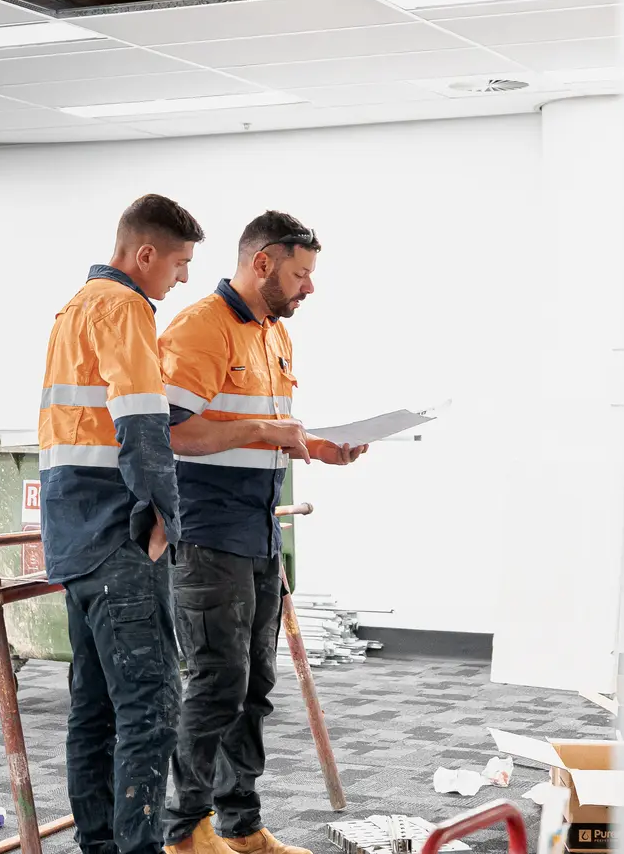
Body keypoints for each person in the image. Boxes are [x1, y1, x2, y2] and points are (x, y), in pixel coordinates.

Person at [159, 211, 367, 854]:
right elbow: (167, 433)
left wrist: (321, 447)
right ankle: (184, 828)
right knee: (217, 682)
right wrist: (260, 433)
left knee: (253, 688)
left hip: (257, 529)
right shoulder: (200, 328)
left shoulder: (274, 335)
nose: (310, 287)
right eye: (300, 274)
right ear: (261, 263)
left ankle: (240, 827)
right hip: (206, 530)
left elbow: (265, 429)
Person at [38, 194, 204, 854]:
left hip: (75, 533)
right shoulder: (125, 306)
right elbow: (141, 425)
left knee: (96, 707)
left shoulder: (74, 309)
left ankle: (100, 845)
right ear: (145, 255)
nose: (184, 277)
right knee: (152, 703)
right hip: (115, 538)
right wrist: (168, 516)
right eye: (180, 262)